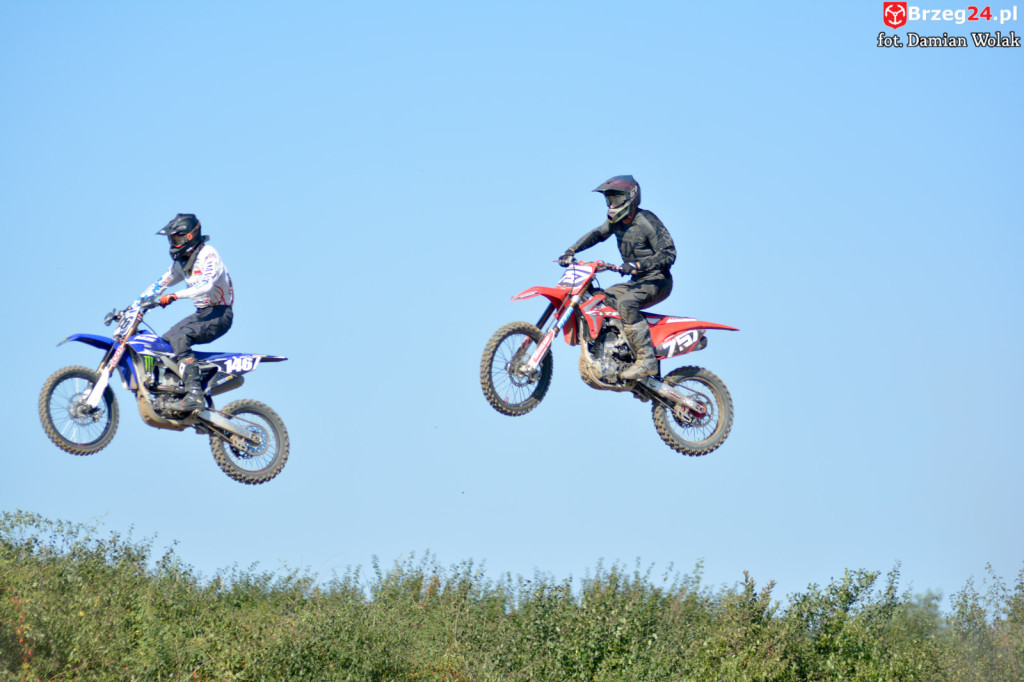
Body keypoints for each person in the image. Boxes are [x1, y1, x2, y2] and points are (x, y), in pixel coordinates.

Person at [558, 175, 676, 381]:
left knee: (626, 303)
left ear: (631, 197)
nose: (612, 204)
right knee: (597, 299)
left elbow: (669, 253)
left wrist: (638, 265)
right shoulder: (617, 223)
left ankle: (646, 359)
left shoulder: (646, 221)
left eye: (616, 199)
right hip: (636, 282)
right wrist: (571, 250)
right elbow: (597, 234)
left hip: (657, 280)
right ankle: (619, 352)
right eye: (609, 200)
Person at [139, 213, 234, 413]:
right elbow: (159, 284)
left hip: (219, 314)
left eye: (176, 239)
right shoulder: (182, 263)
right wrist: (133, 307)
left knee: (181, 338)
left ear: (189, 237)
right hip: (201, 314)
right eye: (171, 240)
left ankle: (194, 395)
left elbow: (206, 286)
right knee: (163, 343)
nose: (173, 243)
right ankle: (173, 388)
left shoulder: (208, 255)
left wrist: (175, 296)